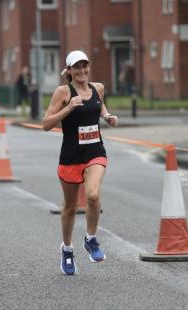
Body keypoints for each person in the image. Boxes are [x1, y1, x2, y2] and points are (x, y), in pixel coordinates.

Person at [42, 50, 118, 275]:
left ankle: (91, 239)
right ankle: (67, 249)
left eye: (85, 66)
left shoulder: (99, 88)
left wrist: (107, 117)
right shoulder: (63, 92)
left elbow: (99, 105)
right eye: (77, 67)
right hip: (71, 155)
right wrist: (68, 108)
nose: (82, 71)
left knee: (93, 196)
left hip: (95, 151)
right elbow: (46, 124)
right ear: (70, 71)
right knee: (70, 207)